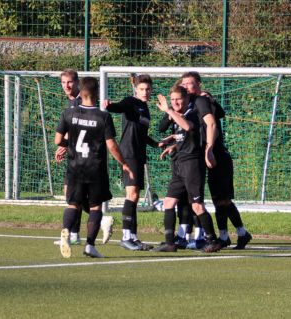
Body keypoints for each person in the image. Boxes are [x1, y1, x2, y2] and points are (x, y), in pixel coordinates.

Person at [54, 77, 133, 258]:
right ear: (97, 93)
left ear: (80, 93)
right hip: (95, 169)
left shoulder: (68, 113)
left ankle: (66, 231)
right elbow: (112, 145)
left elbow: (58, 140)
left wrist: (71, 143)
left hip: (75, 167)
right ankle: (90, 245)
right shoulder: (103, 116)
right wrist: (125, 164)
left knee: (73, 204)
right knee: (96, 207)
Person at [180, 72, 252, 249]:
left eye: (190, 83)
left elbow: (215, 122)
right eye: (184, 83)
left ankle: (234, 234)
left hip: (217, 156)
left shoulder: (202, 101)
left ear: (198, 85)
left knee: (222, 199)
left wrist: (209, 149)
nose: (186, 86)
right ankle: (233, 234)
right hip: (209, 155)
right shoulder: (194, 103)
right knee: (219, 199)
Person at [152, 85, 222, 253]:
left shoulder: (193, 112)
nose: (175, 102)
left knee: (196, 205)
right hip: (179, 164)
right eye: (173, 99)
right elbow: (183, 136)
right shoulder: (177, 115)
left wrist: (169, 110)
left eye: (179, 99)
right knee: (169, 202)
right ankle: (170, 242)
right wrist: (173, 145)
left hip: (192, 164)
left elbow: (188, 127)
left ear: (186, 99)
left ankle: (213, 240)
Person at [54, 69, 114, 246]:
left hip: (84, 161)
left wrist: (66, 144)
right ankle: (81, 231)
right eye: (63, 82)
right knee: (72, 196)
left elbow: (79, 129)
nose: (66, 86)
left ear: (78, 83)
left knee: (73, 197)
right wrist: (66, 144)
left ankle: (74, 234)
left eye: (70, 82)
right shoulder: (73, 102)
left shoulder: (82, 102)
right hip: (79, 158)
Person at [102, 74, 159, 251]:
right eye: (142, 89)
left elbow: (141, 134)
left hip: (139, 154)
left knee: (135, 196)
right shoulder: (130, 101)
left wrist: (156, 143)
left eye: (148, 89)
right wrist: (110, 105)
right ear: (136, 89)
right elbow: (119, 107)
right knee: (132, 194)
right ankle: (126, 237)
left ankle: (133, 237)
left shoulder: (145, 108)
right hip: (129, 154)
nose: (145, 92)